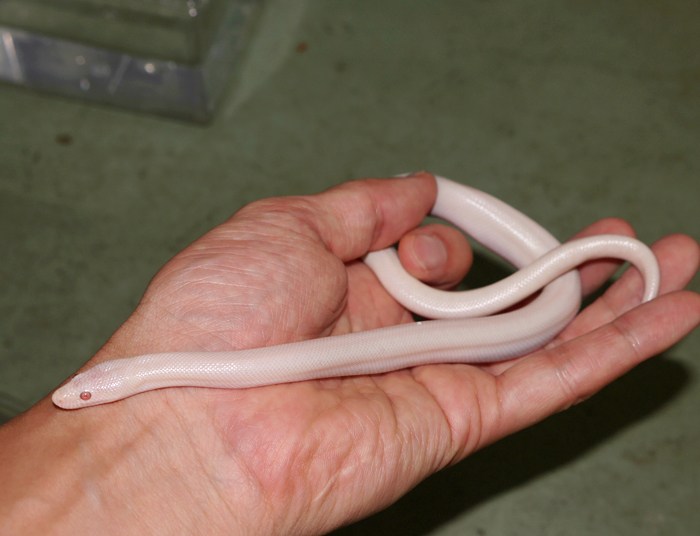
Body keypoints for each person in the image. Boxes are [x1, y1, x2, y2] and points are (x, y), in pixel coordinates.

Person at [1, 172, 699, 535]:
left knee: (424, 257)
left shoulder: (154, 371)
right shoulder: (159, 370)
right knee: (424, 270)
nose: (75, 392)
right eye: (87, 392)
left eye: (86, 390)